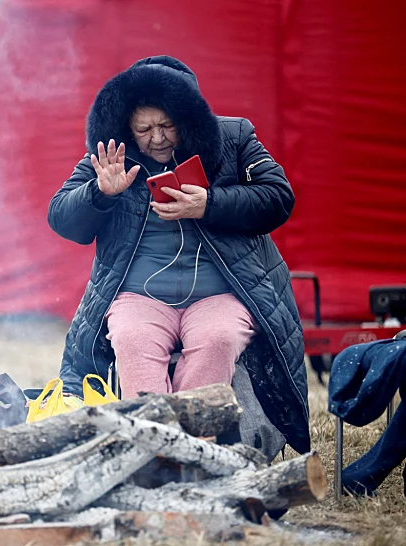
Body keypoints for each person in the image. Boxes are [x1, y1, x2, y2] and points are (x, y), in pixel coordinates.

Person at [48, 55, 310, 455]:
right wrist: (100, 193)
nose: (157, 138)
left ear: (189, 118)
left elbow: (278, 198)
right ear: (127, 128)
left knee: (217, 339)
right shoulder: (109, 154)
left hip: (221, 295)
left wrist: (210, 203)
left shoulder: (236, 138)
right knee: (132, 339)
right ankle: (154, 451)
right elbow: (61, 217)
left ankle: (193, 451)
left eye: (167, 125)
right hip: (139, 298)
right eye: (144, 129)